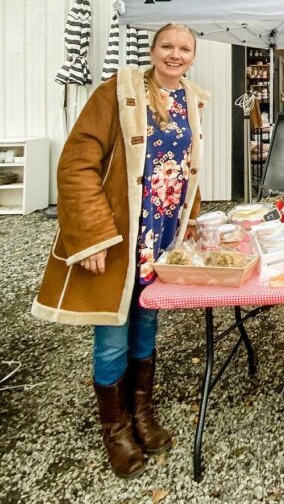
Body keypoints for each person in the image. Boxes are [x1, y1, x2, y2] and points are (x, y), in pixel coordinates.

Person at [33, 23, 210, 477]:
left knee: (146, 321)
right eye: (167, 46)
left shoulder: (189, 98)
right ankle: (115, 429)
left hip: (159, 238)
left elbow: (185, 168)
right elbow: (76, 163)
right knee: (112, 333)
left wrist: (191, 221)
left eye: (184, 48)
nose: (175, 54)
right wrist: (91, 234)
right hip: (119, 234)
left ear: (193, 55)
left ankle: (142, 415)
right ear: (152, 50)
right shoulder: (117, 92)